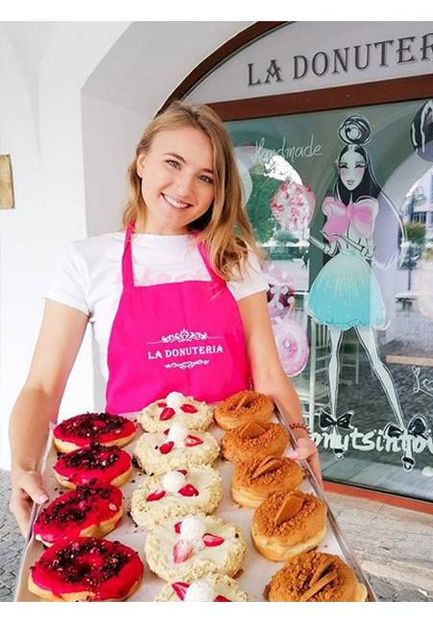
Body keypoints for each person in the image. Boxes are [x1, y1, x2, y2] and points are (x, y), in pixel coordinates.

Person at [7, 101, 319, 536]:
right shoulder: (87, 260)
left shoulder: (234, 257)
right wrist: (22, 468)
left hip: (235, 466)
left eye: (205, 177)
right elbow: (42, 385)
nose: (184, 187)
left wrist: (301, 436)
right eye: (173, 163)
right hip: (137, 473)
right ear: (141, 162)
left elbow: (268, 375)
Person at [307, 115, 424, 471]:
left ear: (366, 167)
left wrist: (378, 257)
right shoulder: (335, 204)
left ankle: (402, 426)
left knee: (374, 357)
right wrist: (310, 236)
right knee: (333, 354)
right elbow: (330, 248)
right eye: (344, 165)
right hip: (337, 275)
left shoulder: (372, 205)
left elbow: (385, 248)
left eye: (357, 164)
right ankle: (334, 427)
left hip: (358, 278)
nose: (350, 171)